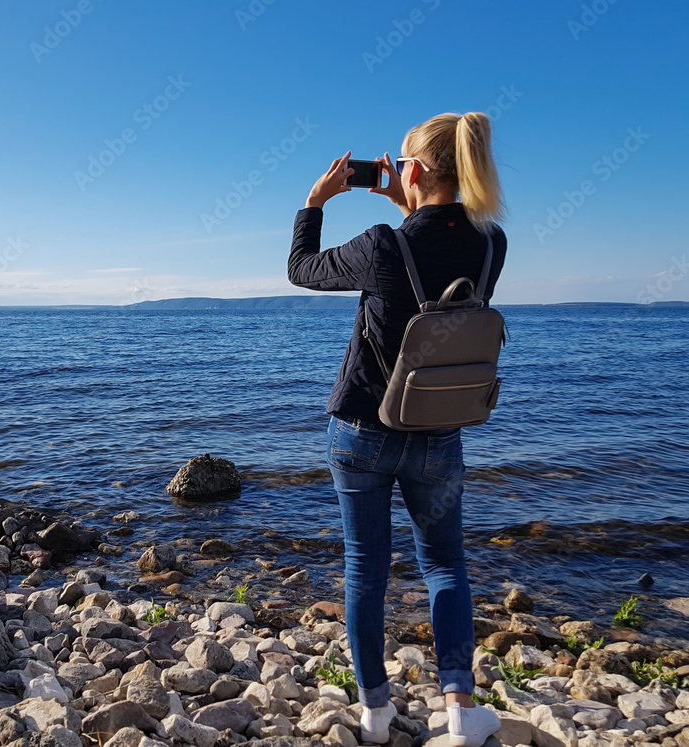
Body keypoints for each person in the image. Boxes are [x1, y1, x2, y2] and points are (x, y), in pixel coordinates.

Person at [287, 112, 507, 747]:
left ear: (411, 169)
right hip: (439, 428)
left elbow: (302, 268)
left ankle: (376, 713)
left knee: (366, 568)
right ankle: (461, 711)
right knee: (444, 563)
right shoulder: (490, 243)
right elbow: (442, 254)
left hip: (362, 428)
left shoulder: (384, 243)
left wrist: (315, 202)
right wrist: (410, 200)